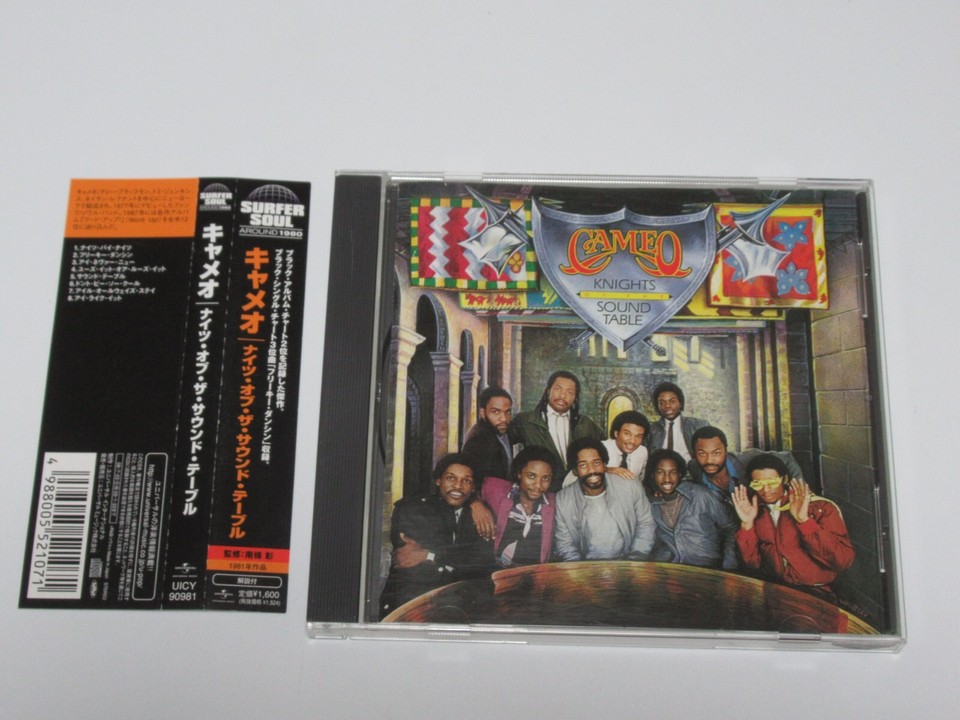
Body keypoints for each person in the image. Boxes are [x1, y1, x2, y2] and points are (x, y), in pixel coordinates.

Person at [379, 454, 494, 618]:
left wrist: (428, 554)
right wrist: (458, 562)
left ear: (474, 487)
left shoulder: (482, 517)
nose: (458, 486)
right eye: (451, 478)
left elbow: (482, 565)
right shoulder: (412, 509)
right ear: (438, 480)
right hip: (412, 606)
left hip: (461, 607)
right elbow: (410, 562)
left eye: (466, 481)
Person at [732, 453, 854, 596]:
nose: (765, 490)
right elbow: (752, 564)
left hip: (815, 592)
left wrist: (804, 521)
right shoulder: (755, 511)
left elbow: (843, 561)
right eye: (758, 484)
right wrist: (747, 525)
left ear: (785, 479)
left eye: (772, 482)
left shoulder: (820, 507)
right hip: (775, 591)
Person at [554, 437, 655, 561]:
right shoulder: (563, 500)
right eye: (583, 465)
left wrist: (635, 559)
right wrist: (579, 569)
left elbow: (646, 523)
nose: (592, 470)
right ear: (575, 471)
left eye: (596, 463)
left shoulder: (629, 486)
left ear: (604, 464)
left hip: (628, 561)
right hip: (585, 565)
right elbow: (565, 544)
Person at [641, 449, 738, 569]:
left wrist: (729, 566)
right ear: (653, 475)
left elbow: (731, 528)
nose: (667, 479)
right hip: (669, 568)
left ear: (680, 474)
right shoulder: (651, 503)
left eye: (673, 472)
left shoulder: (700, 495)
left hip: (705, 567)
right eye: (660, 472)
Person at [509, 370, 604, 492]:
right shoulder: (525, 421)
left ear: (575, 397)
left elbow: (606, 448)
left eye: (569, 392)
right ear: (548, 390)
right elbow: (501, 444)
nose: (562, 396)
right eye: (558, 389)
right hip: (541, 492)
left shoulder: (584, 423)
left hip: (578, 491)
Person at [689, 426, 805, 515]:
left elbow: (787, 458)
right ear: (694, 453)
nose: (709, 460)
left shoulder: (746, 459)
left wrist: (798, 491)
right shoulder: (694, 468)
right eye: (702, 454)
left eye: (716, 453)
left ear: (726, 450)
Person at [480, 446, 556, 566]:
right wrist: (476, 505)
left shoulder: (554, 503)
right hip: (496, 572)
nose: (538, 485)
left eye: (545, 478)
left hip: (535, 575)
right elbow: (467, 487)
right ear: (519, 473)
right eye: (531, 476)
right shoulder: (496, 490)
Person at [562, 409, 650, 488]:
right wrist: (606, 470)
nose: (632, 441)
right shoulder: (596, 449)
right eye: (627, 434)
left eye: (638, 436)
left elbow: (638, 483)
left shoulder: (642, 452)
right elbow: (568, 482)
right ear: (616, 433)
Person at [461, 387, 514, 486]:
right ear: (483, 413)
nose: (504, 419)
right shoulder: (478, 441)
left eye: (507, 412)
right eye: (496, 412)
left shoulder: (503, 431)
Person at [645, 381, 708, 462]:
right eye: (661, 402)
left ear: (680, 403)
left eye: (672, 401)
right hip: (661, 469)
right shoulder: (651, 430)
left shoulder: (699, 425)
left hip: (689, 469)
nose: (667, 406)